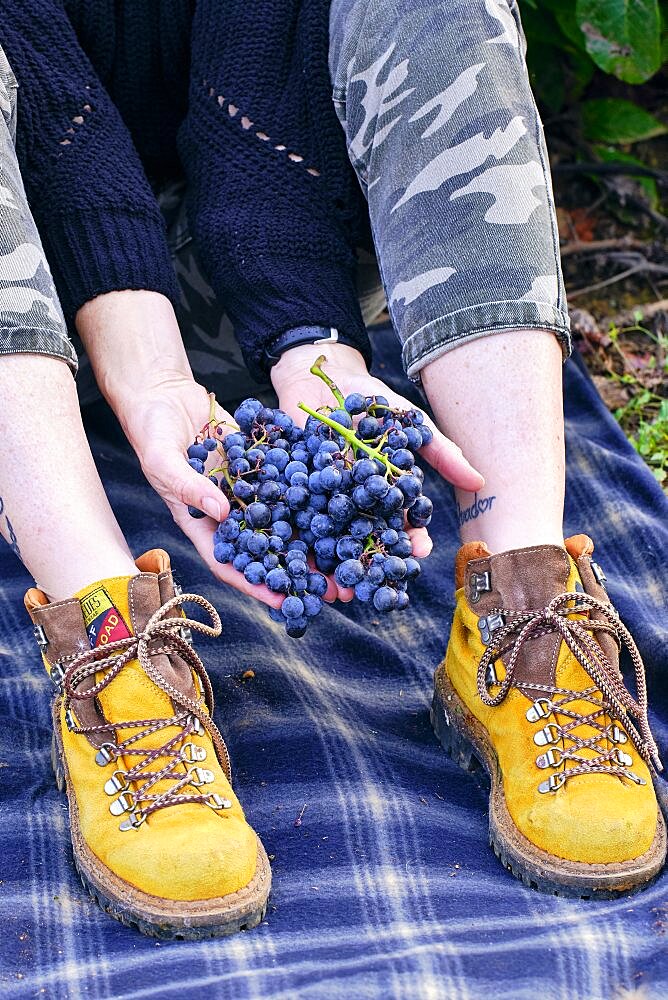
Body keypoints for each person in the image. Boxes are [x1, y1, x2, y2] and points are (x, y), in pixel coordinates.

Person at [0, 0, 663, 939]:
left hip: (255, 256)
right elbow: (62, 123)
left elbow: (260, 61)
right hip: (34, 301)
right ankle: (105, 633)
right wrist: (147, 371)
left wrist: (314, 346)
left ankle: (526, 602)